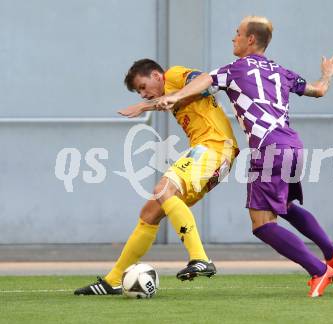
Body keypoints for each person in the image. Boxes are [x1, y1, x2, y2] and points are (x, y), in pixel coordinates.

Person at [157, 16, 333, 298]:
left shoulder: (235, 69)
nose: (233, 38)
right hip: (292, 145)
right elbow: (318, 90)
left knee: (262, 225)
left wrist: (174, 97)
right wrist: (327, 74)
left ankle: (319, 270)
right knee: (285, 206)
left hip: (268, 147)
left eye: (237, 33)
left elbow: (205, 81)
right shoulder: (280, 71)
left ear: (250, 40)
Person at [74, 59, 239, 295]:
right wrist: (144, 107)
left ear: (156, 75)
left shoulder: (173, 75)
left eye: (142, 87)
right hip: (214, 153)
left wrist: (161, 101)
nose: (143, 94)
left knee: (163, 189)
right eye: (139, 92)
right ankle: (113, 280)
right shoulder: (171, 92)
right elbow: (176, 97)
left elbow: (204, 81)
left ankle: (200, 258)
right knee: (149, 213)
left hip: (214, 147)